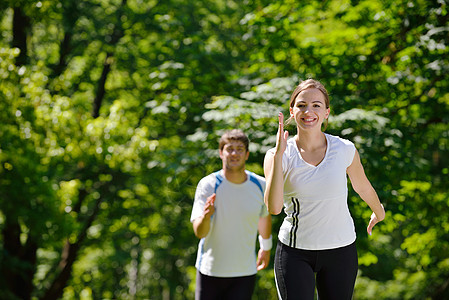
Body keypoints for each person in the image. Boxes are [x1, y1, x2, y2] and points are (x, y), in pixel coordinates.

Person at [264, 79, 385, 300]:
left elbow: (362, 186)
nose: (308, 111)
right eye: (301, 105)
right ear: (292, 111)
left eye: (316, 105)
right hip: (295, 252)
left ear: (327, 112)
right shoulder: (277, 154)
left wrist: (379, 211)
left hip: (341, 250)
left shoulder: (344, 149)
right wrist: (279, 154)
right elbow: (273, 208)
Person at [191, 129, 272, 300]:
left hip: (244, 272)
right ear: (221, 153)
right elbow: (200, 232)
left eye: (240, 149)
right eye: (229, 148)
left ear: (247, 154)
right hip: (210, 271)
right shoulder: (208, 185)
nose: (234, 153)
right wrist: (206, 216)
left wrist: (266, 247)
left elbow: (264, 216)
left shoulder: (260, 185)